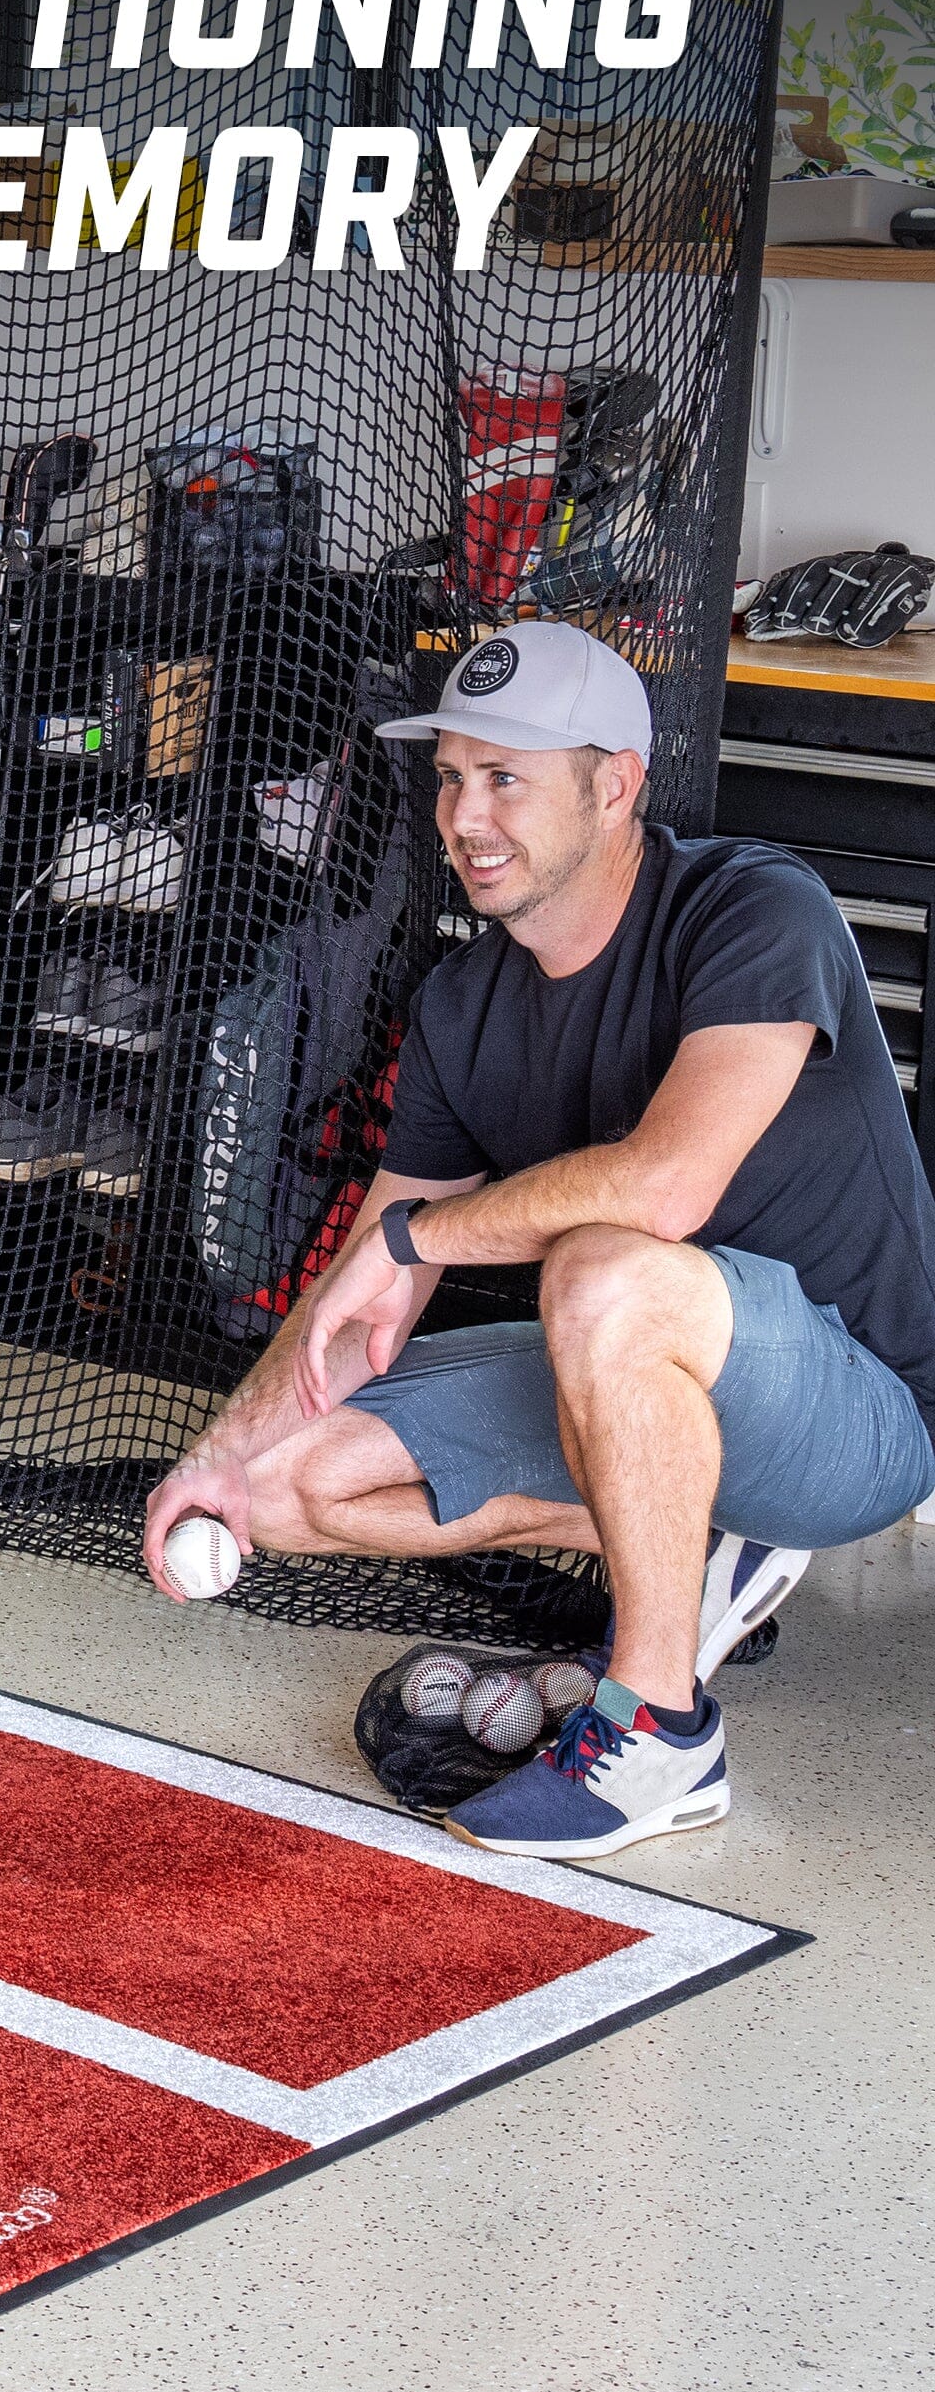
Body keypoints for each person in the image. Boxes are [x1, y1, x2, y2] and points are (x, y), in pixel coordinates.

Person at [145, 621, 935, 1860]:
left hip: (855, 1410)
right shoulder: (462, 1008)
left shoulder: (751, 907)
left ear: (614, 785)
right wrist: (221, 1449)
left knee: (605, 1265)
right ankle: (694, 1538)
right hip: (634, 1373)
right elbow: (364, 1288)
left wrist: (418, 1237)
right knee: (285, 1488)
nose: (465, 817)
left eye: (506, 778)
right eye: (452, 777)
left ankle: (661, 1732)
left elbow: (665, 1188)